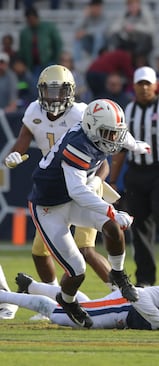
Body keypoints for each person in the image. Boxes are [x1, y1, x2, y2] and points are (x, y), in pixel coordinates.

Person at [3, 66, 118, 322]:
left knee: (85, 249)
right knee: (39, 252)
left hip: (84, 184)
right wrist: (14, 155)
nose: (54, 97)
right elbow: (23, 140)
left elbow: (104, 160)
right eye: (49, 90)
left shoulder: (82, 113)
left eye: (60, 90)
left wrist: (95, 184)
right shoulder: (33, 110)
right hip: (55, 189)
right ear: (41, 91)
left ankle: (118, 290)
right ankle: (54, 297)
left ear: (71, 92)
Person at [26, 98, 151, 328]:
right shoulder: (78, 145)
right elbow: (78, 191)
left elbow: (122, 135)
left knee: (113, 229)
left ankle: (118, 274)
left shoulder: (96, 131)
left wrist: (135, 146)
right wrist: (112, 211)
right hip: (49, 208)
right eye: (108, 133)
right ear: (93, 129)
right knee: (77, 271)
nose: (113, 139)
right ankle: (68, 301)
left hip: (69, 199)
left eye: (115, 133)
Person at [108, 66, 159, 288]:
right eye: (140, 83)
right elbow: (120, 150)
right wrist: (113, 181)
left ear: (156, 85)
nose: (144, 87)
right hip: (136, 173)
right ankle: (145, 279)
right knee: (140, 227)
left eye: (147, 83)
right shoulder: (128, 111)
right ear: (133, 86)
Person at [0, 263, 159, 331]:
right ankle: (5, 296)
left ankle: (32, 286)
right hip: (125, 307)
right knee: (63, 317)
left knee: (84, 305)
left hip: (130, 315)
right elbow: (139, 297)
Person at [17, 6, 63, 78]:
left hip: (48, 63)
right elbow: (22, 50)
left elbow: (57, 44)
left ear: (36, 17)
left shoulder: (48, 27)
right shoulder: (25, 33)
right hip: (32, 65)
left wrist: (55, 60)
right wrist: (22, 62)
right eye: (28, 19)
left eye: (32, 19)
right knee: (35, 85)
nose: (31, 21)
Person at [72, 0, 109, 66]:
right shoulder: (86, 16)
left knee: (98, 36)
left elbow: (101, 30)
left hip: (102, 45)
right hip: (89, 43)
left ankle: (95, 61)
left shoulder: (105, 17)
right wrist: (84, 16)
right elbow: (76, 28)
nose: (97, 9)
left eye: (98, 7)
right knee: (77, 37)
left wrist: (85, 32)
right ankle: (76, 63)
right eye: (95, 7)